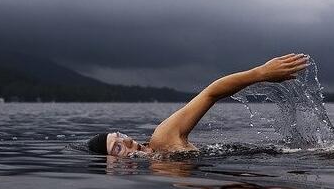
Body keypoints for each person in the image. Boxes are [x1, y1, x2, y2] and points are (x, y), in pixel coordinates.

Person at [88, 53, 310, 156]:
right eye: (117, 147)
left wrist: (260, 73)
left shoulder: (162, 139)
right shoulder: (158, 161)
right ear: (112, 166)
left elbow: (210, 94)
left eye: (120, 136)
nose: (126, 141)